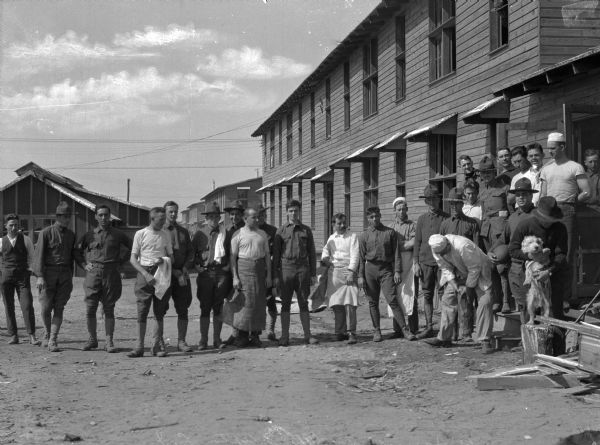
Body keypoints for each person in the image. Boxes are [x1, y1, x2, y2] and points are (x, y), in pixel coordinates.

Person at [540, 132, 590, 303]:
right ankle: (549, 295)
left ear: (562, 147)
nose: (550, 152)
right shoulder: (546, 169)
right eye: (549, 149)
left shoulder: (575, 167)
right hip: (549, 212)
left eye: (553, 148)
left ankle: (564, 297)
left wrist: (573, 201)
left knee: (566, 254)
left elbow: (587, 192)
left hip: (567, 211)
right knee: (547, 252)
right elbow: (543, 194)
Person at [424, 234, 494, 354]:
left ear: (447, 244)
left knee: (484, 301)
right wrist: (456, 286)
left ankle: (485, 340)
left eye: (444, 251)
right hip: (460, 270)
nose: (441, 254)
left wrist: (468, 289)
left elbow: (474, 268)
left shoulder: (462, 245)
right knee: (448, 299)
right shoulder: (435, 247)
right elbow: (444, 267)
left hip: (480, 269)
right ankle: (444, 338)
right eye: (439, 253)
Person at [77, 205, 132, 352]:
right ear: (95, 216)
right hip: (93, 273)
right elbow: (76, 251)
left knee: (109, 308)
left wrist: (120, 262)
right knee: (90, 308)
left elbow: (133, 248)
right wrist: (83, 264)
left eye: (106, 215)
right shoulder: (89, 235)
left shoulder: (118, 234)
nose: (103, 218)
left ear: (110, 216)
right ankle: (92, 339)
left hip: (110, 273)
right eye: (100, 215)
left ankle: (109, 342)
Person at [32, 202, 83, 352]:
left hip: (65, 275)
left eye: (69, 217)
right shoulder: (46, 232)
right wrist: (40, 276)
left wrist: (83, 265)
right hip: (48, 274)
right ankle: (47, 334)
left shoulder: (71, 235)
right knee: (46, 308)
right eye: (64, 216)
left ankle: (53, 339)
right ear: (58, 217)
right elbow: (38, 255)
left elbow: (74, 254)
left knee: (59, 307)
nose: (67, 219)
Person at [508, 196, 569, 320]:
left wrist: (549, 271)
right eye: (545, 219)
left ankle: (556, 338)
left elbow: (561, 254)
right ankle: (528, 337)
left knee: (554, 312)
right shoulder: (525, 225)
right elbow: (512, 250)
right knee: (529, 309)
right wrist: (530, 256)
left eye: (551, 219)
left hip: (553, 272)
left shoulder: (560, 228)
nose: (548, 222)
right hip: (529, 274)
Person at [358, 206, 411, 342]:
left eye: (376, 216)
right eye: (371, 217)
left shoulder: (390, 232)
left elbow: (396, 253)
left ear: (380, 216)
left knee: (392, 299)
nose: (374, 219)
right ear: (368, 219)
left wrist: (397, 270)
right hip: (370, 269)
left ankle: (405, 330)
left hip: (386, 269)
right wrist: (360, 276)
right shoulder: (364, 235)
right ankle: (377, 331)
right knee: (372, 302)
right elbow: (361, 258)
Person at [128, 207, 174, 358]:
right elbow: (133, 259)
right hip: (144, 273)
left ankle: (156, 345)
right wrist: (145, 274)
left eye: (163, 220)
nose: (163, 222)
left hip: (161, 273)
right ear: (152, 219)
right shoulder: (140, 234)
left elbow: (171, 258)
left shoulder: (165, 234)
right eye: (160, 220)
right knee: (142, 311)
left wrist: (163, 260)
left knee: (159, 311)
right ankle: (139, 345)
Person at [492, 178, 538, 324]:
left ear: (531, 196)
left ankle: (535, 339)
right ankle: (525, 336)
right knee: (522, 303)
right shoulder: (512, 218)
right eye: (518, 195)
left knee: (535, 303)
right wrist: (491, 251)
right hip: (515, 267)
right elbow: (503, 240)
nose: (521, 197)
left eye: (524, 194)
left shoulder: (537, 215)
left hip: (532, 266)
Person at [273, 199, 318, 346]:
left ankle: (308, 335)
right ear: (287, 212)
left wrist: (312, 274)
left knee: (303, 302)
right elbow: (276, 256)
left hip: (302, 269)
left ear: (299, 212)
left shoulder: (306, 230)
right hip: (286, 269)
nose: (293, 213)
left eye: (296, 211)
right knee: (285, 303)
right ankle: (285, 336)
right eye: (291, 211)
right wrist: (276, 276)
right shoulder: (280, 231)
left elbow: (311, 252)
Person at [439, 187, 480, 340]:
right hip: (450, 269)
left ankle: (466, 332)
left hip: (466, 268)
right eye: (451, 204)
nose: (454, 207)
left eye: (456, 204)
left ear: (462, 204)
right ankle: (451, 334)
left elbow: (476, 248)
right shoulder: (445, 224)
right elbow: (441, 249)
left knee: (466, 301)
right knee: (449, 301)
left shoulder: (472, 223)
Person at [228, 207, 272, 347]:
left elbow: (267, 257)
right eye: (253, 217)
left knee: (258, 303)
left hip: (259, 270)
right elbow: (233, 257)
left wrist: (269, 276)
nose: (257, 219)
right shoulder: (238, 234)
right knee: (244, 303)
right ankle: (242, 336)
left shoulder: (262, 234)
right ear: (245, 218)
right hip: (243, 270)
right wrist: (235, 277)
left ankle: (255, 336)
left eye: (257, 217)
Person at [413, 184, 449, 339]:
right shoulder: (421, 219)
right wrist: (416, 262)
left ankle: (445, 328)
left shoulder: (446, 218)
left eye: (435, 199)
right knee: (427, 294)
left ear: (439, 200)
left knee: (444, 295)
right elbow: (417, 242)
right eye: (429, 200)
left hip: (442, 263)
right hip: (425, 262)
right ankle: (428, 327)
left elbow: (449, 242)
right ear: (426, 201)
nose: (432, 202)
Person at [192, 202, 229, 350]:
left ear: (219, 217)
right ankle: (203, 340)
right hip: (206, 274)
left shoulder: (225, 233)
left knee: (219, 307)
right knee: (205, 307)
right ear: (206, 218)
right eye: (210, 216)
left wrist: (228, 267)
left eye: (216, 216)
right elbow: (192, 253)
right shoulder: (200, 234)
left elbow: (232, 252)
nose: (213, 219)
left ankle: (217, 339)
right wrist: (196, 266)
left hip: (221, 274)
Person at [478, 155, 512, 313]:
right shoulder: (482, 190)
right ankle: (497, 300)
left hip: (500, 230)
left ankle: (506, 301)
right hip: (486, 230)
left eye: (489, 172)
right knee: (491, 267)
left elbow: (510, 212)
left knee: (501, 267)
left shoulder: (504, 187)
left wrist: (506, 228)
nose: (486, 176)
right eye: (483, 173)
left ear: (494, 172)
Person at [0, 214, 39, 345]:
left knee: (27, 305)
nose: (13, 227)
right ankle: (13, 335)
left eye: (16, 225)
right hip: (6, 278)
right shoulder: (1, 241)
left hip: (22, 277)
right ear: (5, 226)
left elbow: (32, 257)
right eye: (11, 225)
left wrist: (29, 269)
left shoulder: (26, 239)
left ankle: (32, 335)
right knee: (8, 306)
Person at [321, 213, 359, 344]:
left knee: (350, 303)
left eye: (344, 223)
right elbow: (325, 252)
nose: (342, 225)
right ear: (333, 224)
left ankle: (351, 332)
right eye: (339, 223)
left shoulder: (352, 236)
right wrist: (325, 259)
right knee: (337, 303)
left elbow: (355, 255)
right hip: (335, 271)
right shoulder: (331, 238)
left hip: (348, 270)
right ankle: (340, 332)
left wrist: (351, 272)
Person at [163, 201, 195, 352]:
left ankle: (181, 341)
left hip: (181, 275)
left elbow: (190, 252)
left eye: (175, 211)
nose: (174, 214)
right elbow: (158, 254)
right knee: (160, 308)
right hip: (165, 276)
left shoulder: (183, 231)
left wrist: (185, 267)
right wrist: (171, 270)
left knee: (183, 308)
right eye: (170, 212)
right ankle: (160, 341)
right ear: (165, 213)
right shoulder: (159, 231)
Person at [390, 197, 418, 336]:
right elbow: (389, 245)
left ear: (407, 209)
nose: (401, 211)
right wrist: (403, 244)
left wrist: (402, 245)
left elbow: (414, 242)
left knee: (411, 293)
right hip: (395, 262)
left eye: (404, 209)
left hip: (409, 260)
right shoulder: (391, 227)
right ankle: (398, 328)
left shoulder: (412, 225)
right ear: (395, 211)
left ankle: (413, 327)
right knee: (396, 294)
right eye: (399, 209)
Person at [221, 199, 246, 346]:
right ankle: (234, 332)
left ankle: (244, 334)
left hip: (242, 270)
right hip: (229, 272)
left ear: (242, 215)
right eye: (231, 214)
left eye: (237, 214)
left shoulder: (246, 229)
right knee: (230, 302)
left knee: (243, 302)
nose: (234, 217)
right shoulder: (228, 230)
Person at [257, 204, 278, 341]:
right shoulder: (249, 231)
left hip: (268, 271)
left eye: (262, 215)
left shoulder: (273, 231)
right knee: (256, 303)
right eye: (257, 216)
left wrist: (275, 275)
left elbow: (276, 255)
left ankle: (270, 330)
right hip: (254, 272)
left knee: (271, 301)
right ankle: (256, 331)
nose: (260, 218)